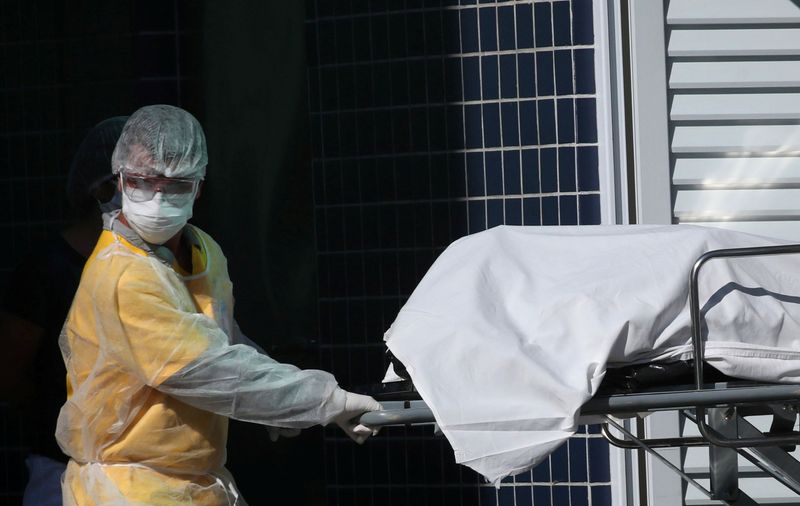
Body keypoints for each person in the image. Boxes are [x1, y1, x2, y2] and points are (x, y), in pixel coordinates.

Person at [55, 104, 381, 505]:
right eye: (143, 182)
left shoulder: (203, 250)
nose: (157, 197)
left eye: (174, 185)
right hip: (130, 487)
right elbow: (204, 370)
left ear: (199, 187)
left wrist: (274, 403)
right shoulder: (122, 275)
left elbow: (223, 341)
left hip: (194, 483)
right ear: (119, 181)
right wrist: (322, 401)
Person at [0, 117, 127, 506]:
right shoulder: (48, 269)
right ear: (104, 187)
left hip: (137, 470)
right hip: (63, 471)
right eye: (136, 182)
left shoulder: (146, 268)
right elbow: (9, 371)